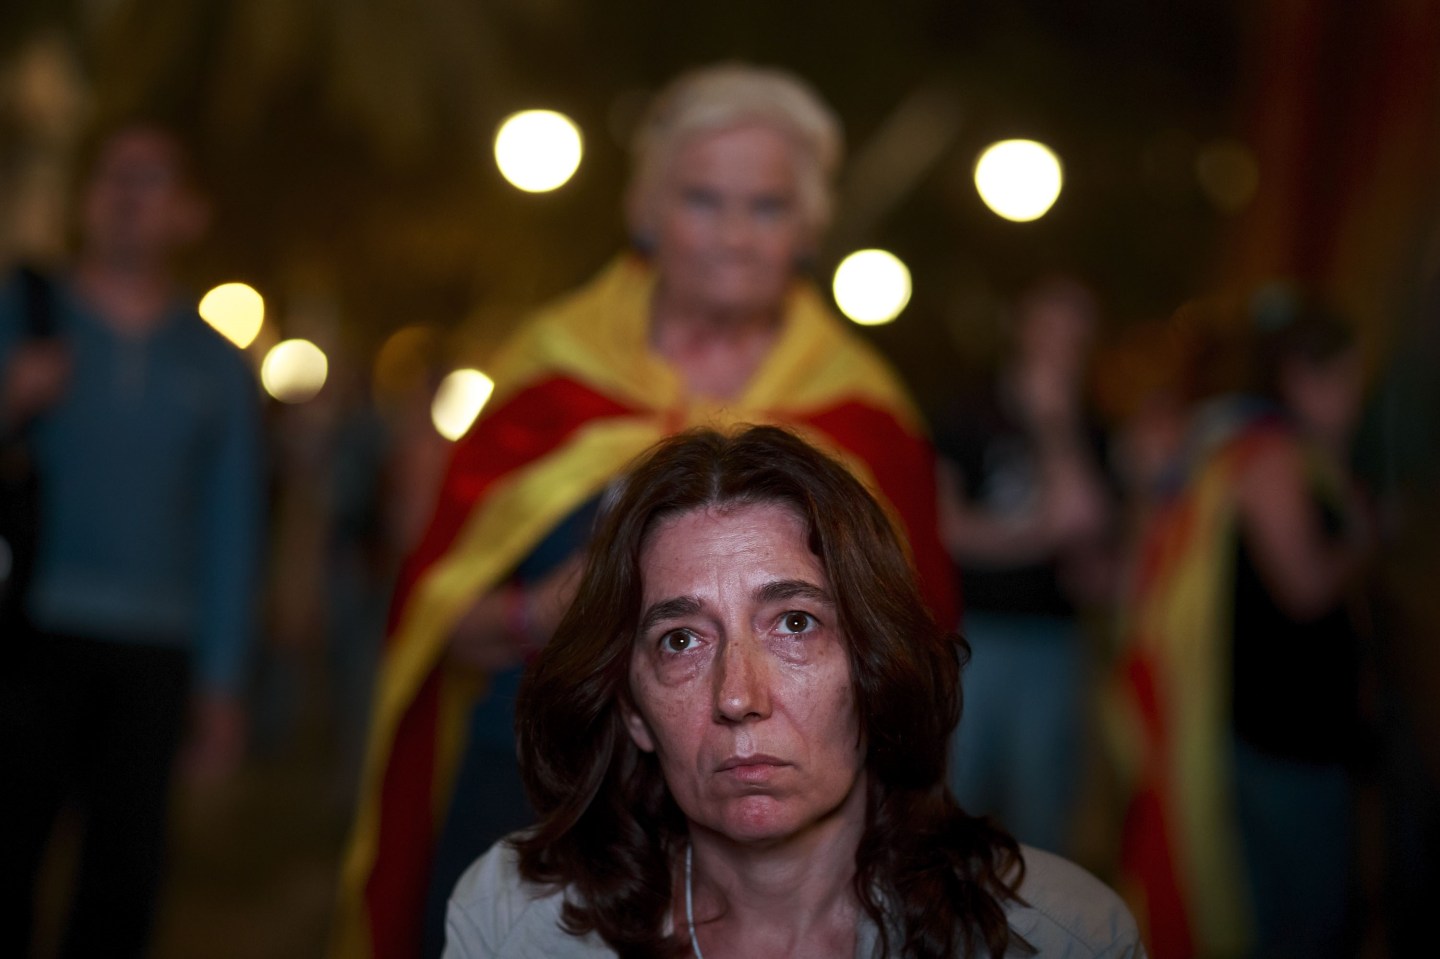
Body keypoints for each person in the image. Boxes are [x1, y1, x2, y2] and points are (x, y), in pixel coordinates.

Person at [333, 64, 956, 959]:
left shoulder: (865, 415)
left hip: (774, 832)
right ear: (648, 215)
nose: (735, 235)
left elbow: (912, 662)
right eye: (704, 199)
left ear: (809, 228)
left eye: (768, 207)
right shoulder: (548, 375)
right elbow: (429, 621)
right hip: (528, 794)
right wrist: (535, 613)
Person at [441, 425, 1142, 958]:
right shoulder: (517, 922)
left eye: (795, 624)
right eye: (681, 639)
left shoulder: (1058, 933)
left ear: (875, 666)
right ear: (632, 709)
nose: (739, 695)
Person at [0, 124, 265, 958]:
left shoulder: (215, 364)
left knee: (123, 881)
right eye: (113, 175)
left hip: (155, 648)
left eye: (151, 178)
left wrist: (221, 680)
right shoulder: (24, 311)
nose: (127, 193)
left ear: (187, 213)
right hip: (28, 632)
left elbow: (232, 525)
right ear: (86, 196)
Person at [1110, 300, 1372, 958]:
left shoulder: (1223, 445)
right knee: (1303, 915)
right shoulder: (1273, 454)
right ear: (1302, 377)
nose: (1357, 395)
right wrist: (1368, 539)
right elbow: (1305, 587)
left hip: (1249, 716)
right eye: (1346, 377)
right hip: (1288, 722)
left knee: (1260, 903)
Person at [934, 277, 1114, 855]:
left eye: (1076, 331)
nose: (1062, 343)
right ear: (1021, 326)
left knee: (1042, 808)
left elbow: (1088, 527)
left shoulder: (1089, 426)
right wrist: (1041, 534)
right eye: (1051, 325)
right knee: (955, 797)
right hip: (970, 636)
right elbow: (947, 528)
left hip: (1052, 640)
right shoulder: (966, 413)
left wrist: (1054, 426)